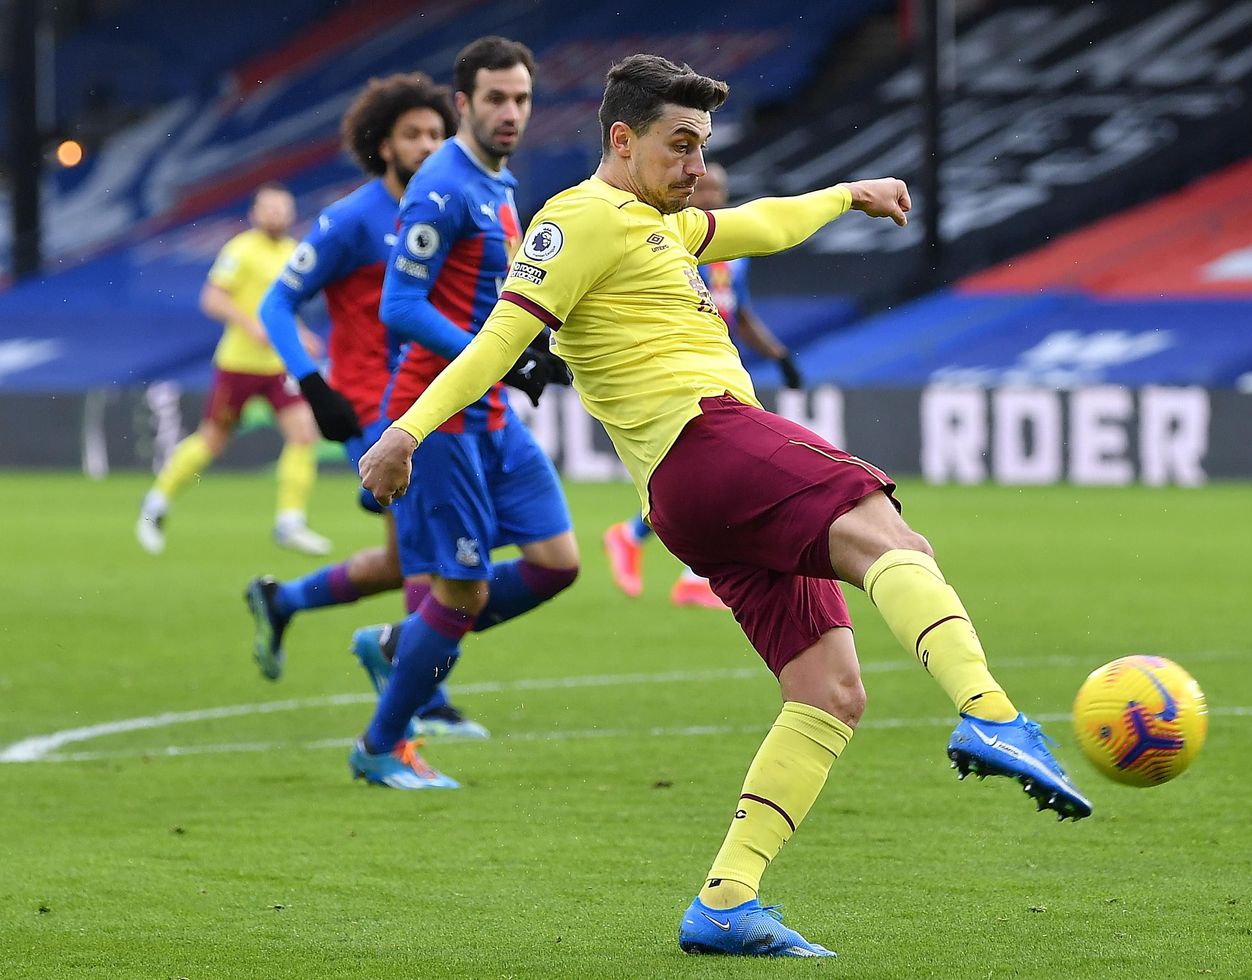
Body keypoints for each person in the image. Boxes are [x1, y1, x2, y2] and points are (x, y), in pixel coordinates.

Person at [361, 53, 1090, 954]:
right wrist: (406, 432)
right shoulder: (578, 219)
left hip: (691, 494)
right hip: (704, 439)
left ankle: (726, 900)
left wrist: (847, 195)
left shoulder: (660, 225)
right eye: (680, 144)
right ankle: (993, 715)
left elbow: (760, 224)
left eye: (702, 145)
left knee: (828, 689)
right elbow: (498, 339)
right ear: (621, 139)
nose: (696, 164)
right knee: (891, 538)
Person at [346, 36, 579, 788]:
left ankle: (402, 643)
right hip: (438, 419)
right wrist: (501, 358)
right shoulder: (441, 187)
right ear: (463, 105)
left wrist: (531, 348)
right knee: (464, 590)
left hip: (494, 416)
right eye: (495, 99)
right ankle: (380, 747)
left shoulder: (498, 183)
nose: (511, 112)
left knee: (556, 564)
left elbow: (491, 302)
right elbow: (400, 304)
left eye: (521, 99)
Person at [238, 74, 491, 739]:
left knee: (405, 558)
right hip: (372, 408)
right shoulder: (352, 219)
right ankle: (425, 701)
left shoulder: (448, 210)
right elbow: (275, 303)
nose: (427, 144)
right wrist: (312, 386)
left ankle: (281, 600)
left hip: (431, 397)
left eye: (436, 133)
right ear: (383, 146)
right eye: (412, 134)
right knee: (431, 551)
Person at [602, 162, 804, 610]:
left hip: (722, 369)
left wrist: (780, 357)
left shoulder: (734, 252)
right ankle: (685, 571)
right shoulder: (670, 239)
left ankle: (646, 546)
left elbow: (740, 315)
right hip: (683, 374)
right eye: (704, 187)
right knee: (719, 471)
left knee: (716, 475)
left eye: (718, 189)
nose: (710, 195)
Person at [136, 183, 331, 556]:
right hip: (239, 364)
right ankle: (156, 502)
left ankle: (290, 522)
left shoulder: (293, 252)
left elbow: (282, 306)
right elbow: (212, 298)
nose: (277, 214)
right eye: (269, 208)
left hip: (277, 365)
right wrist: (250, 324)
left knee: (304, 434)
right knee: (213, 440)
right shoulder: (240, 250)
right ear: (254, 213)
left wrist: (301, 334)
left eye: (283, 208)